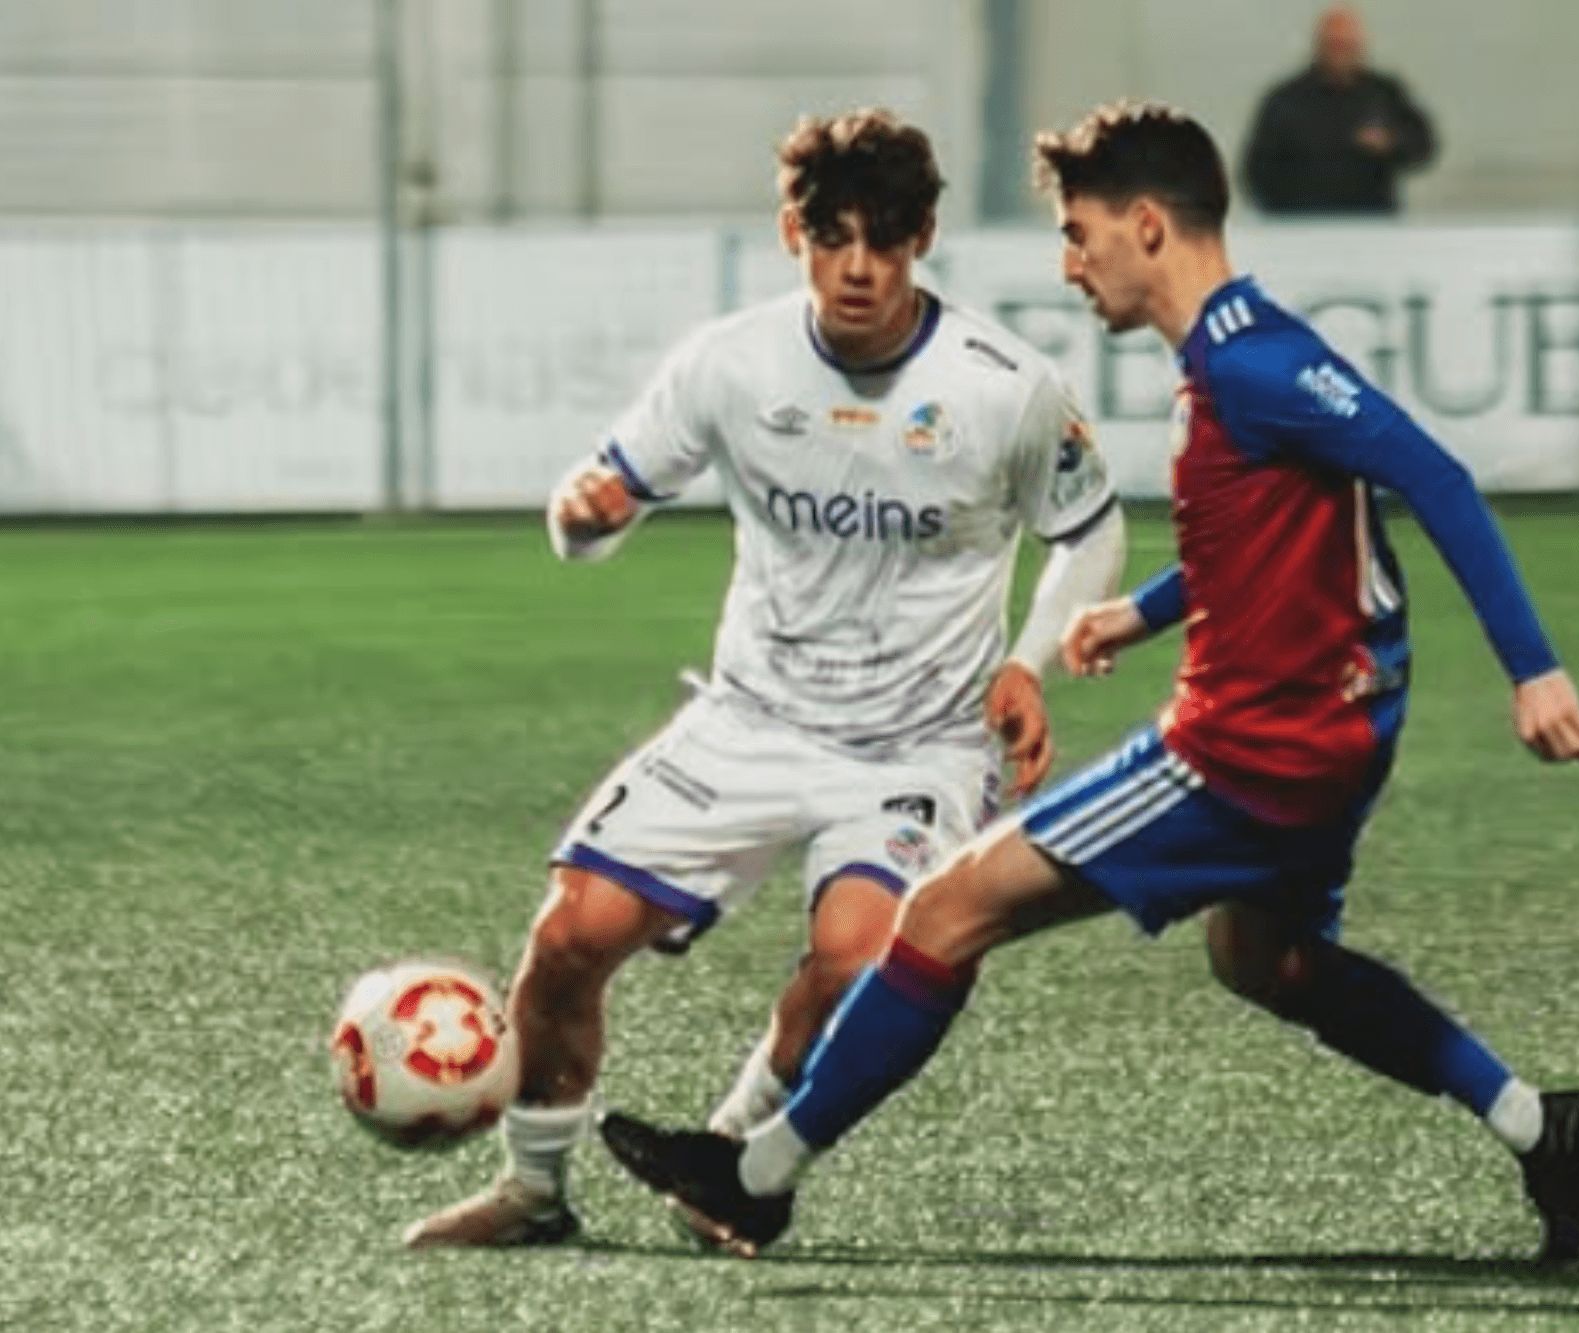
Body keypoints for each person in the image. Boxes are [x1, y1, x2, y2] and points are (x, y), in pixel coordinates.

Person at [599, 101, 1579, 1266]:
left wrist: (1533, 670)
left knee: (941, 911)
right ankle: (1544, 1128)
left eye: (1078, 233)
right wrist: (1143, 610)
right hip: (1334, 727)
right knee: (1267, 962)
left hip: (1244, 752)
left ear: (1144, 225)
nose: (1067, 261)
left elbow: (1432, 477)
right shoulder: (1234, 354)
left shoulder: (1254, 363)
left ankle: (756, 1176)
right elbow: (1274, 529)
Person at [402, 107, 1126, 1248]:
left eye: (884, 240)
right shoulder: (728, 363)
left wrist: (1027, 663)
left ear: (923, 234)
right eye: (832, 236)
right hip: (750, 719)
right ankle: (534, 1193)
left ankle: (728, 1158)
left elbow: (1088, 531)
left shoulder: (1003, 385)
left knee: (860, 960)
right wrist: (581, 518)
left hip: (918, 746)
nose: (857, 268)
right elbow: (590, 510)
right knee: (568, 931)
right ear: (791, 231)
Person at [1243, 4, 1437, 214]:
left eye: (1347, 46)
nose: (1340, 53)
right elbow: (1255, 170)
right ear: (1318, 46)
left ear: (1360, 46)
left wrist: (1390, 142)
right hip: (1301, 225)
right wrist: (1281, 215)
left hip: (1373, 223)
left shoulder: (1384, 92)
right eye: (1333, 45)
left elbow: (1423, 146)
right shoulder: (1285, 99)